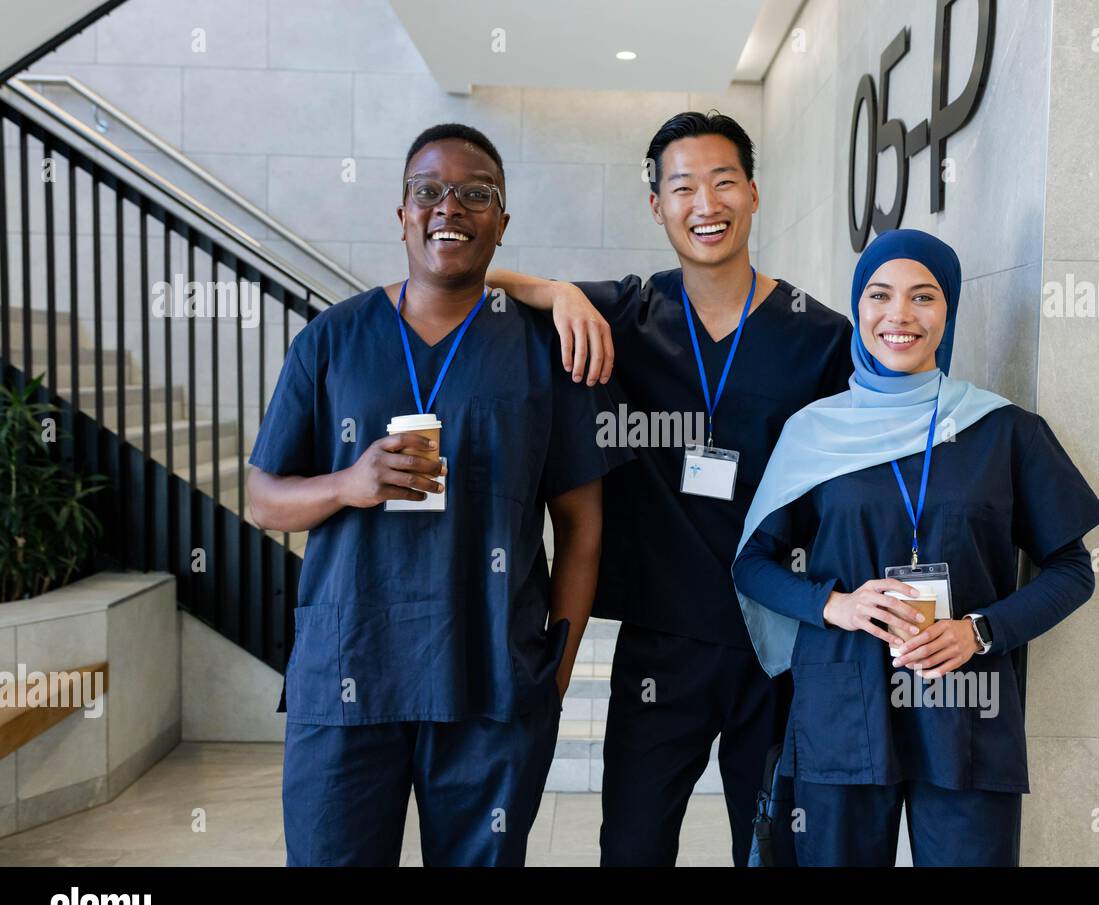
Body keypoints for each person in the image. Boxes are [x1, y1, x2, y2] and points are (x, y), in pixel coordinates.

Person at [246, 123, 630, 866]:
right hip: (349, 671)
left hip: (491, 679)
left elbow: (581, 523)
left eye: (475, 192)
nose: (449, 206)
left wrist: (555, 668)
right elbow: (264, 497)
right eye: (428, 190)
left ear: (502, 221)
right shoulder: (331, 340)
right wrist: (351, 483)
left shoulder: (543, 347)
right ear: (402, 213)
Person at [487, 111, 854, 866]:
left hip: (778, 643)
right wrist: (558, 292)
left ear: (753, 193)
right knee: (631, 846)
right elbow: (475, 278)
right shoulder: (629, 312)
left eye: (723, 182)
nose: (704, 204)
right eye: (681, 186)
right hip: (663, 644)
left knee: (776, 848)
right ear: (656, 205)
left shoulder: (819, 335)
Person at [732, 228, 1099, 866]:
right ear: (859, 309)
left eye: (924, 297)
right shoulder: (813, 431)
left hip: (964, 705)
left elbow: (1073, 569)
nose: (899, 316)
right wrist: (837, 606)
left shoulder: (1002, 429)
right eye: (879, 295)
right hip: (842, 704)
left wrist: (981, 631)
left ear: (949, 311)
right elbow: (752, 565)